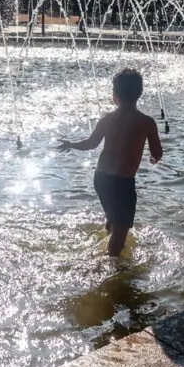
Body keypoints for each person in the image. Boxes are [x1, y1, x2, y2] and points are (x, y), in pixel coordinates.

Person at [56, 67, 164, 257]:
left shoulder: (107, 119)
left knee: (114, 217)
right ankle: (111, 266)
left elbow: (90, 144)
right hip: (123, 182)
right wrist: (153, 157)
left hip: (101, 179)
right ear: (140, 93)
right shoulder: (146, 122)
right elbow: (157, 152)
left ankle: (108, 241)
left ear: (115, 95)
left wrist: (71, 144)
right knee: (121, 229)